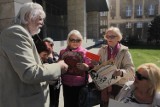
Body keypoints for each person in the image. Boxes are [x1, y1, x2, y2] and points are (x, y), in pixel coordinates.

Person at [0, 2, 68, 107]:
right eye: (40, 19)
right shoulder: (16, 33)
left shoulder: (21, 34)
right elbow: (29, 73)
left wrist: (48, 77)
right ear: (28, 17)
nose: (42, 23)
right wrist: (58, 67)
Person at [97, 26, 135, 107]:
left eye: (112, 36)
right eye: (107, 36)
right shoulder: (102, 50)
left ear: (118, 38)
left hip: (119, 88)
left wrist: (121, 72)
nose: (109, 38)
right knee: (104, 105)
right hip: (104, 87)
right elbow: (97, 65)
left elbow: (131, 71)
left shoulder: (124, 51)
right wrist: (94, 64)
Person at [59, 30, 92, 107]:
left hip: (80, 85)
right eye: (72, 39)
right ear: (68, 40)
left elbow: (96, 65)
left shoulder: (87, 52)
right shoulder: (62, 52)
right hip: (66, 84)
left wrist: (87, 67)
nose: (75, 42)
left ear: (81, 41)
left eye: (78, 40)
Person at [43, 37, 61, 107]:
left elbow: (58, 66)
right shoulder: (42, 55)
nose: (49, 46)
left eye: (51, 45)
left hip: (57, 84)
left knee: (56, 100)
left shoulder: (56, 54)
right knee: (49, 102)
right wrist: (49, 55)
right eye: (46, 45)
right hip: (47, 84)